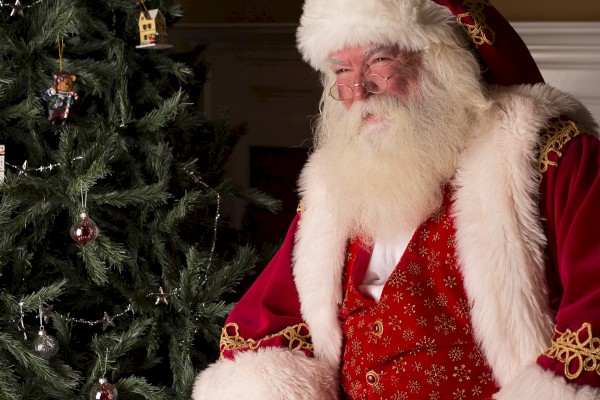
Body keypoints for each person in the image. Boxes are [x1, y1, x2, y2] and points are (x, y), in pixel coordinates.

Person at [192, 0, 600, 398]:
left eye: (378, 61)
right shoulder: (337, 186)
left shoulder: (545, 157)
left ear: (442, 63)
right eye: (342, 69)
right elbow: (271, 321)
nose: (359, 89)